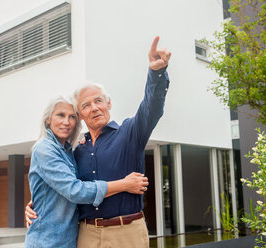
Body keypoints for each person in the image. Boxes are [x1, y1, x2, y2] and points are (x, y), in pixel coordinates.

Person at [26, 36, 171, 248]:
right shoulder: (76, 151)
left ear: (108, 104)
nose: (94, 108)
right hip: (85, 234)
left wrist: (156, 73)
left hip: (126, 232)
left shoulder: (130, 133)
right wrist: (35, 203)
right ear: (81, 115)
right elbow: (67, 188)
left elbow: (152, 107)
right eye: (85, 105)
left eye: (98, 101)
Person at [25, 96, 149, 248]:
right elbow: (75, 191)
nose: (66, 122)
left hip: (70, 240)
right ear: (48, 119)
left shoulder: (70, 151)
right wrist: (124, 184)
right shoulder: (45, 149)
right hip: (47, 241)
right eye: (60, 115)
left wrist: (36, 202)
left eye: (72, 117)